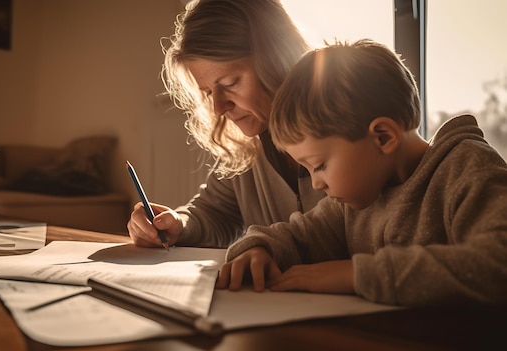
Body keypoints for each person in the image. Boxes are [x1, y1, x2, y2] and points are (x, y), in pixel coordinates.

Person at [216, 39, 507, 307]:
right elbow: (299, 236)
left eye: (319, 165)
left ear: (382, 137)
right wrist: (260, 249)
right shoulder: (352, 203)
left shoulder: (468, 168)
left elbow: (496, 262)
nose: (316, 184)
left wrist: (357, 274)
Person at [127, 0, 325, 248]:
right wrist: (176, 223)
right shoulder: (248, 145)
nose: (219, 108)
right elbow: (213, 214)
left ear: (278, 59)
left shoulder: (346, 129)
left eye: (230, 83)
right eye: (209, 93)